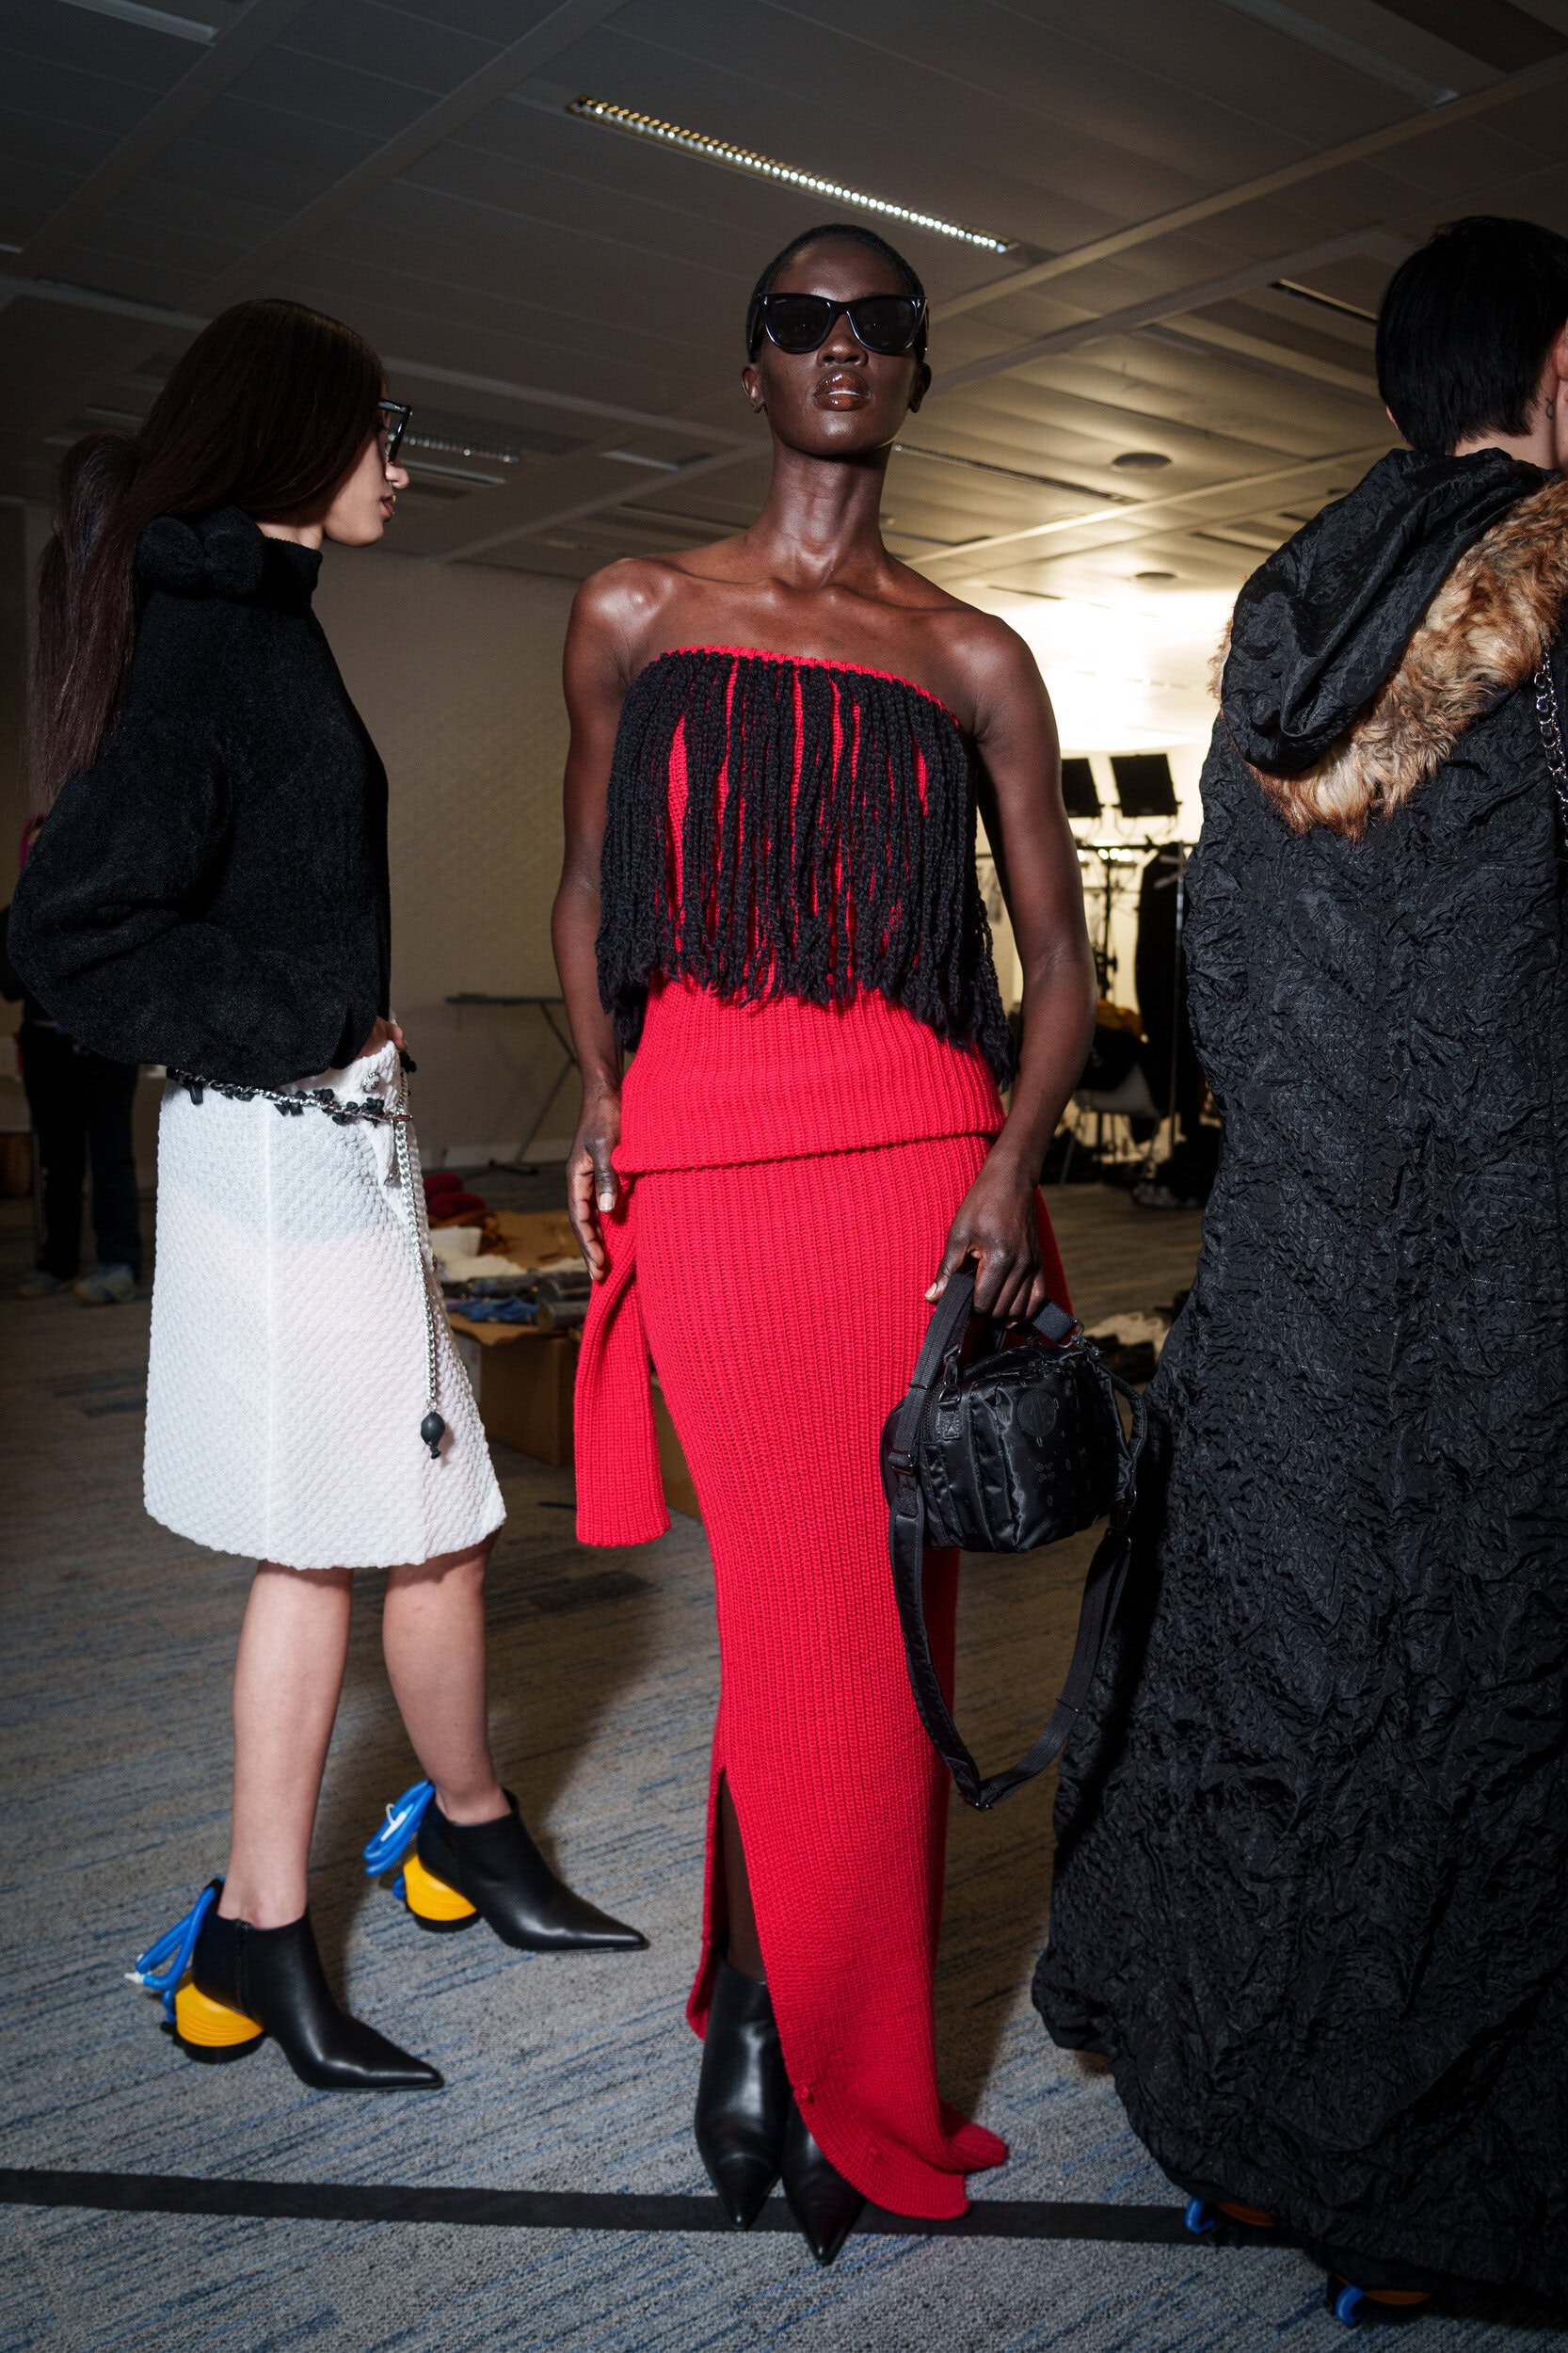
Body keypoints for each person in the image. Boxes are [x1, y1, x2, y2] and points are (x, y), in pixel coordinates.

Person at [10, 298, 642, 2097]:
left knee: (408, 1527)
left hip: (305, 1141)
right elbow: (67, 935)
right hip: (288, 1144)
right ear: (296, 436)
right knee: (381, 1532)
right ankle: (293, 1915)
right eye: (383, 425)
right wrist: (307, 1021)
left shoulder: (244, 616)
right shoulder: (217, 634)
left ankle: (437, 1844)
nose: (402, 458)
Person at [1034, 215, 1568, 2316]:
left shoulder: (1278, 617)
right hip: (1510, 1268)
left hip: (1295, 1276)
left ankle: (1257, 2100)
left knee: (1301, 1682)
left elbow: (1225, 969)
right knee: (1495, 1696)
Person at [554, 224, 1096, 2261]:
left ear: (919, 368)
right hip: (704, 1169)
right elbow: (587, 887)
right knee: (806, 1617)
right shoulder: (633, 604)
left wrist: (1005, 1159)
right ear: (751, 362)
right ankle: (788, 2018)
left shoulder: (969, 656)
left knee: (856, 1632)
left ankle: (793, 2033)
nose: (841, 348)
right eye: (802, 319)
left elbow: (1052, 967)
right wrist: (606, 1076)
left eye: (880, 323)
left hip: (914, 1177)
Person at [6, 818, 145, 1301]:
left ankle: (119, 1261)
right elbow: (10, 982)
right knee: (57, 1159)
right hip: (46, 1049)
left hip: (105, 1049)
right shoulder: (19, 918)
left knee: (111, 1155)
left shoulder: (102, 908)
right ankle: (57, 1262)